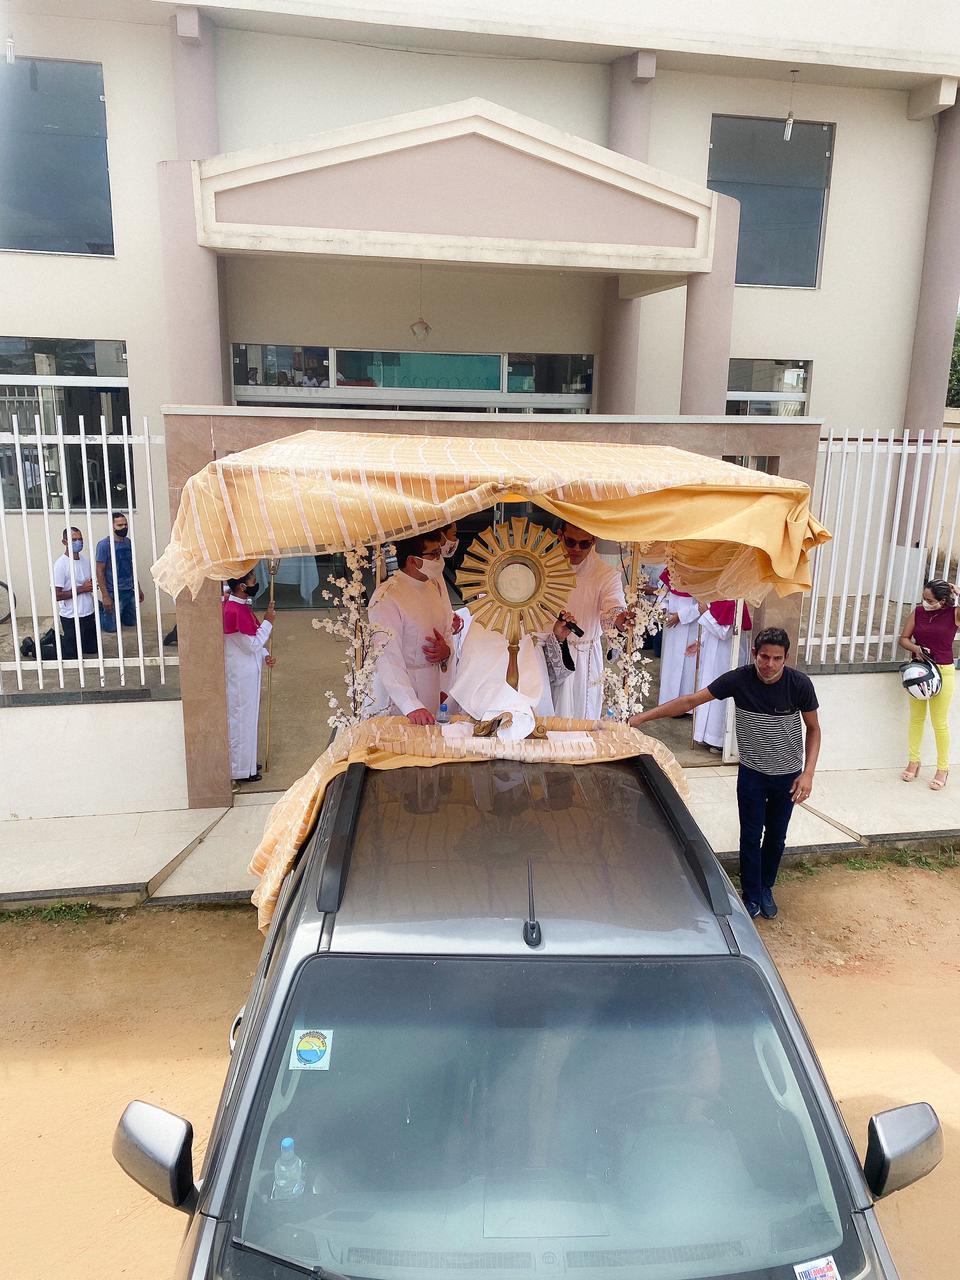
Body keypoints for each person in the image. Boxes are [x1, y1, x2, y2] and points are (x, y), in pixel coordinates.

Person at [630, 627, 820, 921]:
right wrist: (643, 717)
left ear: (786, 658)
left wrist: (808, 773)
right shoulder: (739, 680)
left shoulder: (799, 685)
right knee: (750, 835)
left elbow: (814, 729)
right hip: (752, 774)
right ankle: (750, 894)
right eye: (764, 657)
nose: (769, 665)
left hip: (787, 776)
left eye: (777, 659)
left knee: (776, 837)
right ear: (754, 653)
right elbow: (690, 701)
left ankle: (766, 888)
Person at [367, 531, 456, 724]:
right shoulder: (387, 596)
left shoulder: (433, 585)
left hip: (431, 684)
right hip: (399, 693)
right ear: (412, 560)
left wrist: (446, 652)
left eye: (439, 553)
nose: (439, 560)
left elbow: (446, 631)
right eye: (433, 554)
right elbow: (387, 656)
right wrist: (411, 705)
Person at [551, 522, 631, 720]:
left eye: (584, 544)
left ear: (593, 541)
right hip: (548, 651)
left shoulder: (606, 575)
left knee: (581, 717)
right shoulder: (544, 567)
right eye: (570, 542)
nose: (577, 549)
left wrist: (622, 620)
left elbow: (613, 607)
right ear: (560, 535)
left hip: (584, 658)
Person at [898, 579, 959, 791]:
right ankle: (913, 761)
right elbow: (904, 638)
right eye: (924, 598)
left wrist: (959, 592)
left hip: (943, 670)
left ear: (942, 600)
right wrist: (916, 649)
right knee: (916, 718)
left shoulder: (954, 614)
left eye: (930, 600)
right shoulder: (918, 612)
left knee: (939, 722)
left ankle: (943, 769)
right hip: (919, 671)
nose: (925, 602)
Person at [223, 570, 276, 783]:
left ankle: (248, 763)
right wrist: (268, 622)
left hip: (248, 671)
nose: (256, 583)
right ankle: (240, 769)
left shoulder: (241, 606)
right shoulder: (232, 610)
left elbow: (252, 639)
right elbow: (251, 644)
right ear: (242, 586)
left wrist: (265, 655)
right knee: (241, 720)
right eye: (253, 580)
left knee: (250, 719)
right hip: (240, 675)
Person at [691, 600, 752, 752]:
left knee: (720, 698)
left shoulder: (734, 603)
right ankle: (706, 735)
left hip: (726, 658)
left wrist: (705, 613)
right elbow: (712, 625)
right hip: (713, 655)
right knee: (708, 691)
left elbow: (724, 633)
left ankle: (719, 740)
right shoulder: (719, 599)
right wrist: (699, 641)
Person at [657, 568, 701, 707]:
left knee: (688, 664)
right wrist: (663, 608)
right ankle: (668, 701)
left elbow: (704, 604)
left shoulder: (703, 572)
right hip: (672, 624)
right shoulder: (672, 568)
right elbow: (663, 592)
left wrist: (681, 616)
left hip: (691, 624)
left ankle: (685, 706)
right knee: (671, 662)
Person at [53, 526, 98, 658]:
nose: (78, 542)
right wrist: (82, 589)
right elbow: (57, 595)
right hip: (71, 615)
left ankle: (61, 640)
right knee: (71, 655)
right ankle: (33, 647)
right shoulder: (61, 565)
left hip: (88, 612)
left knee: (91, 649)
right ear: (65, 542)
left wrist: (91, 586)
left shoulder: (85, 561)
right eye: (74, 540)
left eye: (80, 539)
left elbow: (90, 583)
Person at [96, 512, 143, 633]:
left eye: (125, 524)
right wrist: (105, 596)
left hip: (129, 591)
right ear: (112, 526)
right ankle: (98, 610)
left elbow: (131, 567)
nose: (124, 527)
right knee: (111, 628)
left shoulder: (128, 542)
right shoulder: (104, 545)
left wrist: (138, 588)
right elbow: (100, 571)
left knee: (131, 623)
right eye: (120, 525)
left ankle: (116, 614)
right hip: (113, 592)